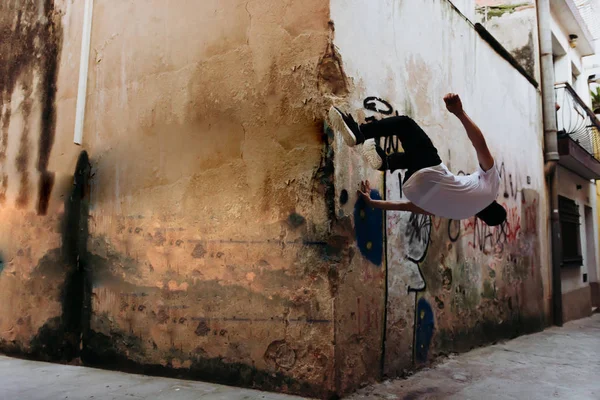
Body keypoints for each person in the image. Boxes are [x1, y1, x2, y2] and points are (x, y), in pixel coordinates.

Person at [328, 93, 506, 226]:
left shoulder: (491, 188)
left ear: (494, 202)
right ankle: (386, 163)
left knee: (405, 125)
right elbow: (408, 207)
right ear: (482, 218)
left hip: (429, 173)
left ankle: (359, 133)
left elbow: (480, 145)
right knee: (414, 160)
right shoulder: (459, 213)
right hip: (411, 187)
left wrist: (460, 113)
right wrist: (373, 202)